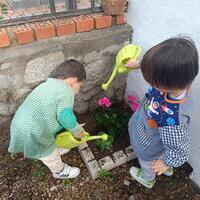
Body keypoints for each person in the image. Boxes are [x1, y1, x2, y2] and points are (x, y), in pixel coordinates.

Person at [126, 37, 199, 188]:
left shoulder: (172, 119)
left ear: (163, 83)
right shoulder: (181, 81)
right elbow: (161, 69)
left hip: (149, 146)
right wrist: (139, 65)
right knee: (164, 149)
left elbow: (180, 149)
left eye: (152, 81)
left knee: (149, 163)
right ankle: (167, 168)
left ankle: (148, 178)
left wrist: (165, 163)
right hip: (156, 136)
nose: (150, 83)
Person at [8, 59, 86, 179]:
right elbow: (65, 117)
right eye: (80, 86)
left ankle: (54, 150)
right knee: (47, 151)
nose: (79, 90)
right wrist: (77, 130)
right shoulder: (66, 91)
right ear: (73, 81)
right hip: (34, 131)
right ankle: (59, 171)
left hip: (20, 122)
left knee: (44, 145)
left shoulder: (48, 84)